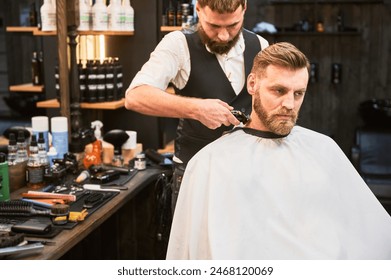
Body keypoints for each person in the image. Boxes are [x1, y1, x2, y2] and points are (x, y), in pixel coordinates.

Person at [166, 42, 391, 259]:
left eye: (298, 93)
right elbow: (189, 251)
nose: (290, 104)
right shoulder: (211, 161)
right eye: (279, 90)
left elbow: (367, 231)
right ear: (252, 84)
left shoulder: (323, 149)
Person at [124, 0, 269, 213]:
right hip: (195, 172)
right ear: (198, 9)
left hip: (247, 171)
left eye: (232, 26)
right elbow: (135, 96)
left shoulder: (260, 45)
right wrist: (196, 108)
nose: (223, 36)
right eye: (214, 26)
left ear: (244, 8)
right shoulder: (178, 44)